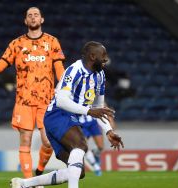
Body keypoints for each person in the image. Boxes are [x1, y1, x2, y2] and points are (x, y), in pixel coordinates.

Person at [10, 41, 124, 188]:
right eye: (103, 55)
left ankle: (23, 184)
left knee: (77, 171)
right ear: (92, 56)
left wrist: (108, 130)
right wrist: (88, 111)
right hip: (57, 115)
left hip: (68, 120)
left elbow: (98, 106)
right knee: (81, 144)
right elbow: (62, 101)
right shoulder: (74, 71)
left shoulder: (100, 75)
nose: (106, 59)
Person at [0, 7, 65, 179]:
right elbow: (1, 65)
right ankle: (29, 181)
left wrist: (65, 85)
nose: (33, 17)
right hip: (24, 101)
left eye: (36, 15)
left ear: (42, 19)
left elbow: (59, 67)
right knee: (25, 141)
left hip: (46, 101)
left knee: (48, 142)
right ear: (25, 21)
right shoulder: (16, 44)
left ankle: (39, 170)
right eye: (29, 15)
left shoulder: (52, 42)